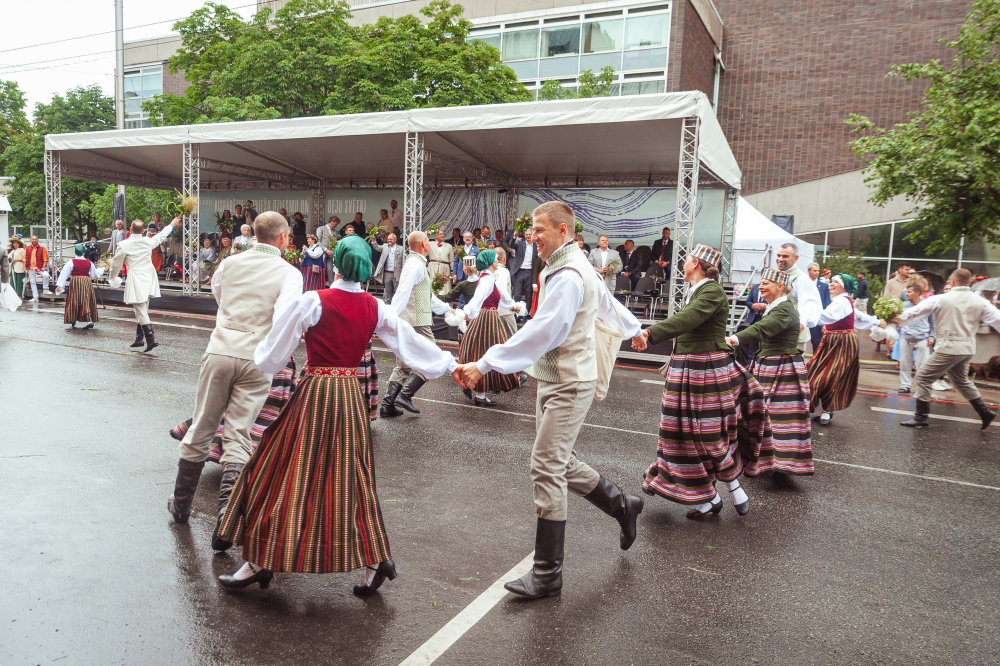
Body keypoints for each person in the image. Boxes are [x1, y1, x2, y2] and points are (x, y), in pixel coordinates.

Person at [215, 235, 457, 594]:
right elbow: (410, 343)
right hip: (349, 396)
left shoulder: (314, 300)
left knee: (283, 467)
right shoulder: (375, 307)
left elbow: (272, 357)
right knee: (350, 476)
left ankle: (260, 561)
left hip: (315, 392)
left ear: (338, 264)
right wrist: (452, 365)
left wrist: (258, 354)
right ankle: (375, 561)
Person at [456, 201, 645, 600]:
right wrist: (635, 328)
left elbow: (546, 329)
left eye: (540, 229)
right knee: (560, 462)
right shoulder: (570, 264)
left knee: (545, 466)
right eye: (532, 230)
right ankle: (623, 505)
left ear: (563, 231)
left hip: (569, 381)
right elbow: (606, 302)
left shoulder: (570, 272)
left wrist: (486, 362)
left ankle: (547, 574)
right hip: (555, 378)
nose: (533, 236)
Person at [167, 212, 304, 555]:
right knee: (239, 434)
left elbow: (219, 295)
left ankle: (181, 507)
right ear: (283, 238)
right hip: (257, 357)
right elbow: (285, 318)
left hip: (221, 349)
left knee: (202, 425)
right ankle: (226, 520)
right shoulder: (289, 273)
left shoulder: (229, 263)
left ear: (254, 234)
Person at [636, 244, 769, 520]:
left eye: (686, 260)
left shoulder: (712, 291)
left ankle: (733, 490)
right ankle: (711, 497)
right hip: (689, 368)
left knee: (706, 433)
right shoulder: (697, 290)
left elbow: (688, 319)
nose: (682, 264)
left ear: (695, 264)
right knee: (682, 433)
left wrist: (649, 332)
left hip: (704, 368)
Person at [726, 269, 813, 478]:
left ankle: (781, 463)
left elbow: (762, 329)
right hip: (770, 364)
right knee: (762, 414)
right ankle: (762, 459)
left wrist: (734, 339)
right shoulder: (775, 307)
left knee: (777, 416)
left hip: (782, 368)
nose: (761, 287)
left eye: (766, 283)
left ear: (780, 287)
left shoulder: (784, 309)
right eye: (761, 283)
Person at [897, 268, 1000, 429]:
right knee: (961, 381)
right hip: (967, 348)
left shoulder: (940, 299)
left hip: (948, 348)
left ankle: (921, 417)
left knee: (923, 377)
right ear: (970, 282)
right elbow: (997, 320)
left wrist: (893, 319)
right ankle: (985, 412)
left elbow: (914, 313)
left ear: (952, 282)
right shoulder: (981, 301)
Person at [379, 231, 452, 417]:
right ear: (423, 244)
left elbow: (426, 296)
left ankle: (387, 405)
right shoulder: (415, 264)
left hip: (412, 318)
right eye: (428, 241)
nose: (430, 243)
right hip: (417, 320)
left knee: (403, 364)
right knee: (432, 358)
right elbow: (402, 292)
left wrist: (446, 309)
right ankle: (405, 395)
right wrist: (391, 316)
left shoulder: (416, 263)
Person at [807, 273, 880, 425]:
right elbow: (858, 316)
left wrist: (804, 316)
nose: (831, 284)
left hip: (841, 341)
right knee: (818, 373)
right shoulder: (843, 301)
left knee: (830, 377)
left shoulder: (842, 302)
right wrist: (876, 321)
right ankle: (821, 408)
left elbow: (827, 316)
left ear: (844, 286)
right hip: (832, 340)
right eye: (832, 281)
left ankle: (826, 410)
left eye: (835, 282)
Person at [451, 251, 522, 406]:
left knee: (482, 351)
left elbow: (499, 297)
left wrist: (512, 306)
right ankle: (480, 390)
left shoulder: (488, 277)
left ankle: (480, 391)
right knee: (486, 351)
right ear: (491, 263)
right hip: (487, 317)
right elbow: (478, 298)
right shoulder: (487, 279)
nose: (497, 262)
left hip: (487, 316)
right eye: (495, 260)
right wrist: (467, 312)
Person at [108, 218, 181, 352]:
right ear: (143, 231)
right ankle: (139, 338)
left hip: (136, 277)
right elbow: (161, 236)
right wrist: (171, 224)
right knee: (142, 308)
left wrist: (113, 278)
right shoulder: (148, 241)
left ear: (130, 230)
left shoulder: (124, 244)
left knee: (140, 309)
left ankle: (151, 339)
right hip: (149, 275)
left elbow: (115, 264)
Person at [775, 243, 822, 349]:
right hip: (779, 333)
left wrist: (799, 327)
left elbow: (810, 304)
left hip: (793, 336)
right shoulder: (779, 274)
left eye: (785, 256)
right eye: (778, 255)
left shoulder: (801, 278)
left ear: (795, 258)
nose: (780, 259)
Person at [896, 283, 935, 394]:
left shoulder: (927, 305)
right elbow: (898, 322)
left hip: (922, 338)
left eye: (909, 292)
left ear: (917, 293)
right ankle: (905, 385)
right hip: (906, 337)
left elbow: (933, 322)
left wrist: (931, 336)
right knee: (905, 363)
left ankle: (921, 387)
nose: (906, 294)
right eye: (906, 292)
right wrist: (895, 337)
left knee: (922, 365)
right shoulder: (903, 306)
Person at [55, 243, 100, 329]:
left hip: (75, 282)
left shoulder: (71, 262)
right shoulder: (89, 262)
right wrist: (100, 270)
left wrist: (60, 286)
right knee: (86, 300)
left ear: (75, 252)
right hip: (86, 282)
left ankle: (73, 318)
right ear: (84, 252)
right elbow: (94, 275)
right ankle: (89, 320)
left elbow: (64, 274)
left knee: (74, 300)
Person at [371, 233, 404, 303]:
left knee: (397, 291)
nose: (389, 240)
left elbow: (403, 262)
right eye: (388, 239)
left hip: (397, 273)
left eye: (391, 239)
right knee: (387, 291)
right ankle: (387, 304)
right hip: (387, 273)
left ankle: (396, 305)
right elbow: (377, 247)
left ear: (395, 240)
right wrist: (374, 241)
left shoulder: (401, 248)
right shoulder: (385, 246)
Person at [508, 228, 536, 310]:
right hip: (519, 271)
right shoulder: (520, 243)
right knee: (517, 293)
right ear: (524, 235)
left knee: (529, 294)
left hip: (530, 271)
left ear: (532, 235)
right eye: (526, 234)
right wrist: (514, 236)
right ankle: (517, 312)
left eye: (529, 234)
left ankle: (526, 312)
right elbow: (511, 246)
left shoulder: (535, 245)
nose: (528, 236)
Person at [808, 262, 832, 353]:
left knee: (817, 344)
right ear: (809, 271)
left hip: (817, 319)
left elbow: (827, 304)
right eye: (814, 271)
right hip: (804, 318)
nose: (817, 273)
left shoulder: (823, 286)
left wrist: (825, 322)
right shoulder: (803, 284)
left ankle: (816, 361)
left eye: (818, 271)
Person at [24, 235, 52, 302]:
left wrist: (43, 267)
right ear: (30, 240)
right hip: (30, 267)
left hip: (39, 267)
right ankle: (35, 297)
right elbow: (24, 258)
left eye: (35, 239)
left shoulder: (42, 248)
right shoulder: (27, 248)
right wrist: (24, 267)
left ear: (37, 240)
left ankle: (45, 289)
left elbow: (45, 259)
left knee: (46, 275)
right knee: (32, 282)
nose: (34, 240)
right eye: (33, 239)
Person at [427, 227, 454, 293]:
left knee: (444, 286)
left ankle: (444, 298)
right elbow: (421, 242)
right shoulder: (430, 244)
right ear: (435, 236)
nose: (442, 235)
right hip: (433, 267)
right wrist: (427, 233)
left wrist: (452, 270)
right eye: (440, 234)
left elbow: (452, 260)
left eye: (443, 234)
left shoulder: (449, 246)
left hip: (444, 268)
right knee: (432, 285)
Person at [317, 215, 340, 286]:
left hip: (330, 253)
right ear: (331, 222)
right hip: (322, 253)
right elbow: (317, 241)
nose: (336, 226)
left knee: (330, 270)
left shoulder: (334, 232)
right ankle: (320, 285)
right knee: (321, 269)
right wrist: (325, 250)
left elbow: (334, 242)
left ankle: (332, 286)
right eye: (336, 224)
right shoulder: (321, 229)